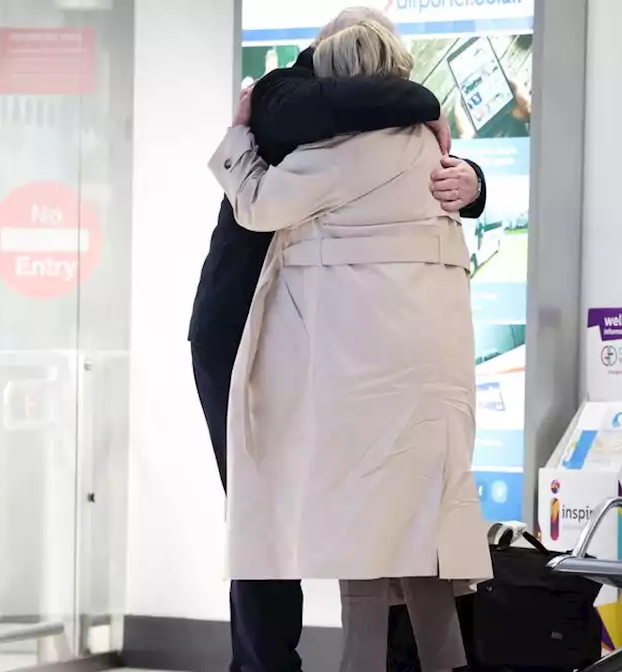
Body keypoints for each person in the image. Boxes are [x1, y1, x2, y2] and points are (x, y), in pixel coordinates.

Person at [187, 7, 488, 671]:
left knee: (349, 544)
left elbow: (260, 204)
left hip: (354, 381)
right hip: (432, 386)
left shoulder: (328, 150)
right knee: (421, 549)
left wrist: (235, 140)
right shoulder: (422, 143)